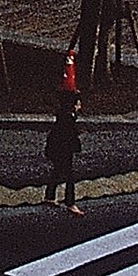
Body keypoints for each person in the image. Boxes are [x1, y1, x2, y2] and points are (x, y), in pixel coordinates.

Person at [45, 67, 83, 211]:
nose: (80, 106)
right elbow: (68, 136)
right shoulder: (68, 118)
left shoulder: (63, 115)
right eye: (78, 103)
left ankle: (49, 196)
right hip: (63, 149)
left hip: (57, 147)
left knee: (57, 171)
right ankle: (70, 203)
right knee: (69, 176)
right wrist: (76, 144)